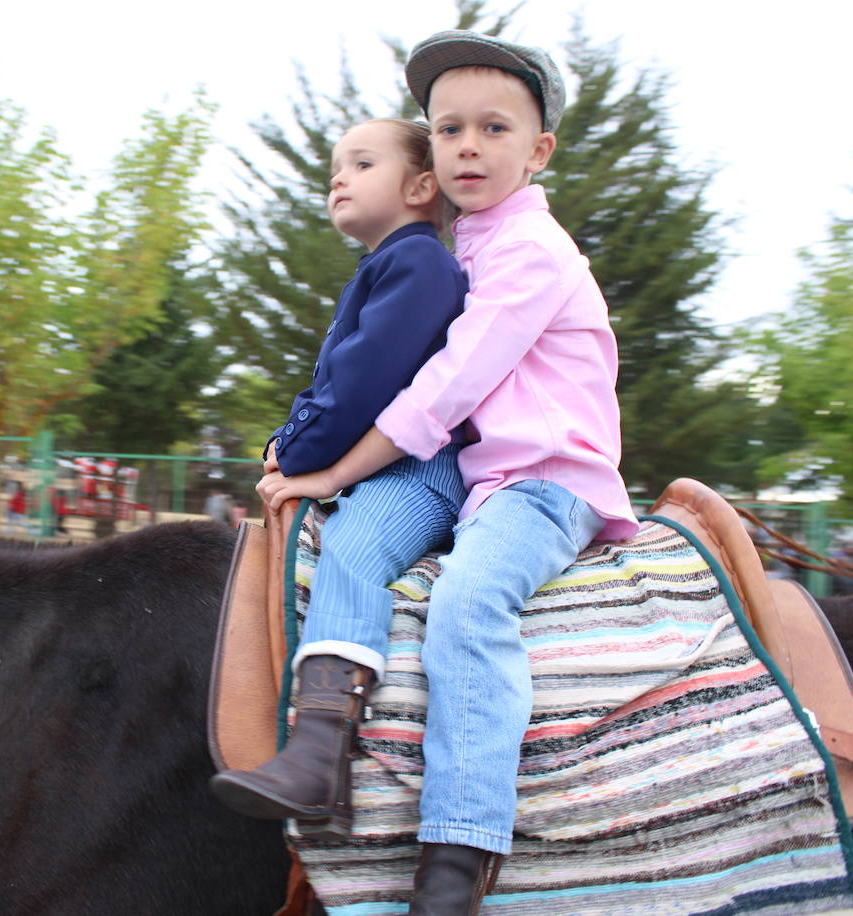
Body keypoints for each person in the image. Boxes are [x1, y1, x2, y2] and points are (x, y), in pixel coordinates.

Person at [252, 32, 639, 914]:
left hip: (542, 479)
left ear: (538, 151)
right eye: (449, 128)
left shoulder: (533, 254)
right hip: (468, 474)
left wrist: (331, 467)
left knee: (469, 604)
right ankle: (320, 754)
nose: (469, 145)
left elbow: (446, 385)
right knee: (350, 541)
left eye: (495, 128)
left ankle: (456, 857)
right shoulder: (455, 246)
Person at [209, 117, 469, 845]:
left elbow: (363, 382)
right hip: (381, 456)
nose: (339, 178)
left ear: (422, 187)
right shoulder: (386, 266)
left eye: (361, 163)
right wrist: (285, 444)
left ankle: (320, 754)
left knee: (353, 546)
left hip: (421, 465)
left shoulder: (422, 267)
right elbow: (339, 385)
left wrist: (293, 453)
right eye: (334, 168)